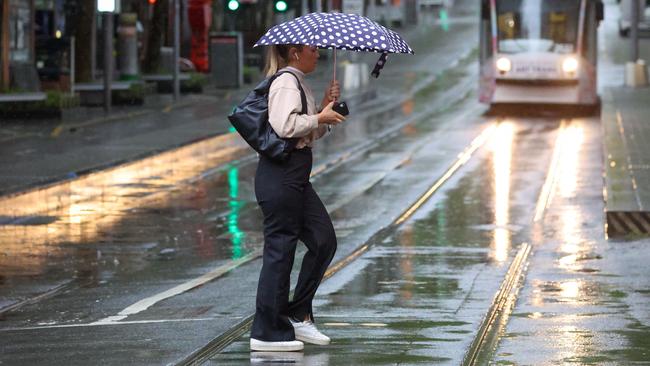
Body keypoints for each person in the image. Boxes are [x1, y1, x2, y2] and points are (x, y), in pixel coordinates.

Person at [249, 43, 346, 352]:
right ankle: (267, 332)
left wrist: (325, 112)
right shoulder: (286, 82)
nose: (317, 54)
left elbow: (305, 132)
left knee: (323, 239)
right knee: (280, 250)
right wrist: (318, 118)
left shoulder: (298, 82)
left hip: (296, 177)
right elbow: (285, 126)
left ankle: (296, 314)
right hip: (281, 177)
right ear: (294, 53)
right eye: (313, 50)